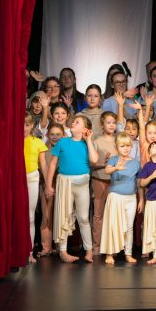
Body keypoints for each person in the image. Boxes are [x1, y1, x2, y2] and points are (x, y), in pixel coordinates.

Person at [46, 114, 99, 263]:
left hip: (82, 184)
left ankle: (89, 250)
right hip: (65, 183)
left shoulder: (88, 144)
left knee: (83, 218)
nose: (73, 123)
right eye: (74, 121)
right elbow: (52, 164)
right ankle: (63, 251)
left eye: (77, 122)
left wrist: (88, 139)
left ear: (85, 129)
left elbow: (94, 160)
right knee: (64, 216)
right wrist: (49, 185)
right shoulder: (63, 142)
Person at [99, 133, 142, 264]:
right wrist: (116, 168)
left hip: (131, 198)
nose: (125, 148)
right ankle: (110, 254)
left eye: (128, 145)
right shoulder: (113, 159)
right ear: (116, 147)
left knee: (129, 227)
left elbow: (139, 183)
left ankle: (128, 253)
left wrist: (141, 199)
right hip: (116, 197)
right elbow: (107, 171)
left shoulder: (136, 163)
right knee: (113, 225)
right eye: (122, 146)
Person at [90, 112, 120, 255]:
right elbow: (91, 162)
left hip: (115, 181)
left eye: (114, 122)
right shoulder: (97, 141)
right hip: (99, 179)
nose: (111, 125)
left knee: (114, 214)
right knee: (98, 214)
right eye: (108, 122)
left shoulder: (119, 141)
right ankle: (97, 245)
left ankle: (113, 246)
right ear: (102, 125)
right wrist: (103, 163)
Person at [23, 114, 49, 262]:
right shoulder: (13, 140)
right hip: (16, 180)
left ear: (32, 125)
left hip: (32, 178)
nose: (24, 128)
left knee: (30, 216)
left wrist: (48, 184)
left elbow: (43, 164)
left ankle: (29, 251)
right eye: (21, 124)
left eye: (27, 125)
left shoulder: (38, 142)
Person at [39, 123, 66, 254]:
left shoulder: (66, 148)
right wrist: (48, 186)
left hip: (62, 185)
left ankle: (60, 247)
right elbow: (43, 168)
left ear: (63, 135)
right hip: (46, 185)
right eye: (52, 134)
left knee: (62, 217)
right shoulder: (43, 150)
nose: (55, 137)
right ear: (47, 135)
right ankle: (46, 248)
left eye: (58, 134)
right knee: (47, 216)